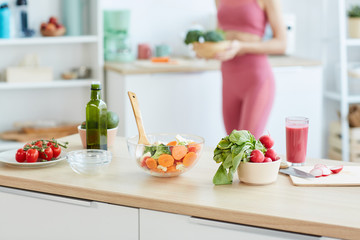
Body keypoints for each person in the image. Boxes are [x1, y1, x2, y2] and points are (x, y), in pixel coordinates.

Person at [213, 0, 287, 138]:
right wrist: (206, 49)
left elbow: (282, 43)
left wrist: (242, 46)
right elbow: (220, 35)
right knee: (232, 147)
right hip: (229, 78)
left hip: (256, 79)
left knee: (245, 147)